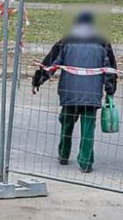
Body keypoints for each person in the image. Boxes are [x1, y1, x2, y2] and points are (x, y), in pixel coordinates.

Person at [32, 11, 117, 173]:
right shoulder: (102, 42)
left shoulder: (66, 41)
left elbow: (50, 64)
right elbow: (110, 69)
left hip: (69, 91)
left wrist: (38, 80)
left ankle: (64, 154)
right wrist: (110, 91)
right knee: (88, 128)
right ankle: (86, 163)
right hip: (92, 94)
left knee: (67, 122)